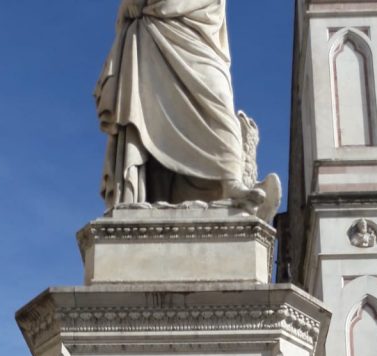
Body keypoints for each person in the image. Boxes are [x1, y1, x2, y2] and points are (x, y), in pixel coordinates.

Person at [95, 0, 259, 208]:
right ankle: (151, 194)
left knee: (218, 97)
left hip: (199, 32)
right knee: (151, 117)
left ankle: (230, 178)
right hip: (154, 31)